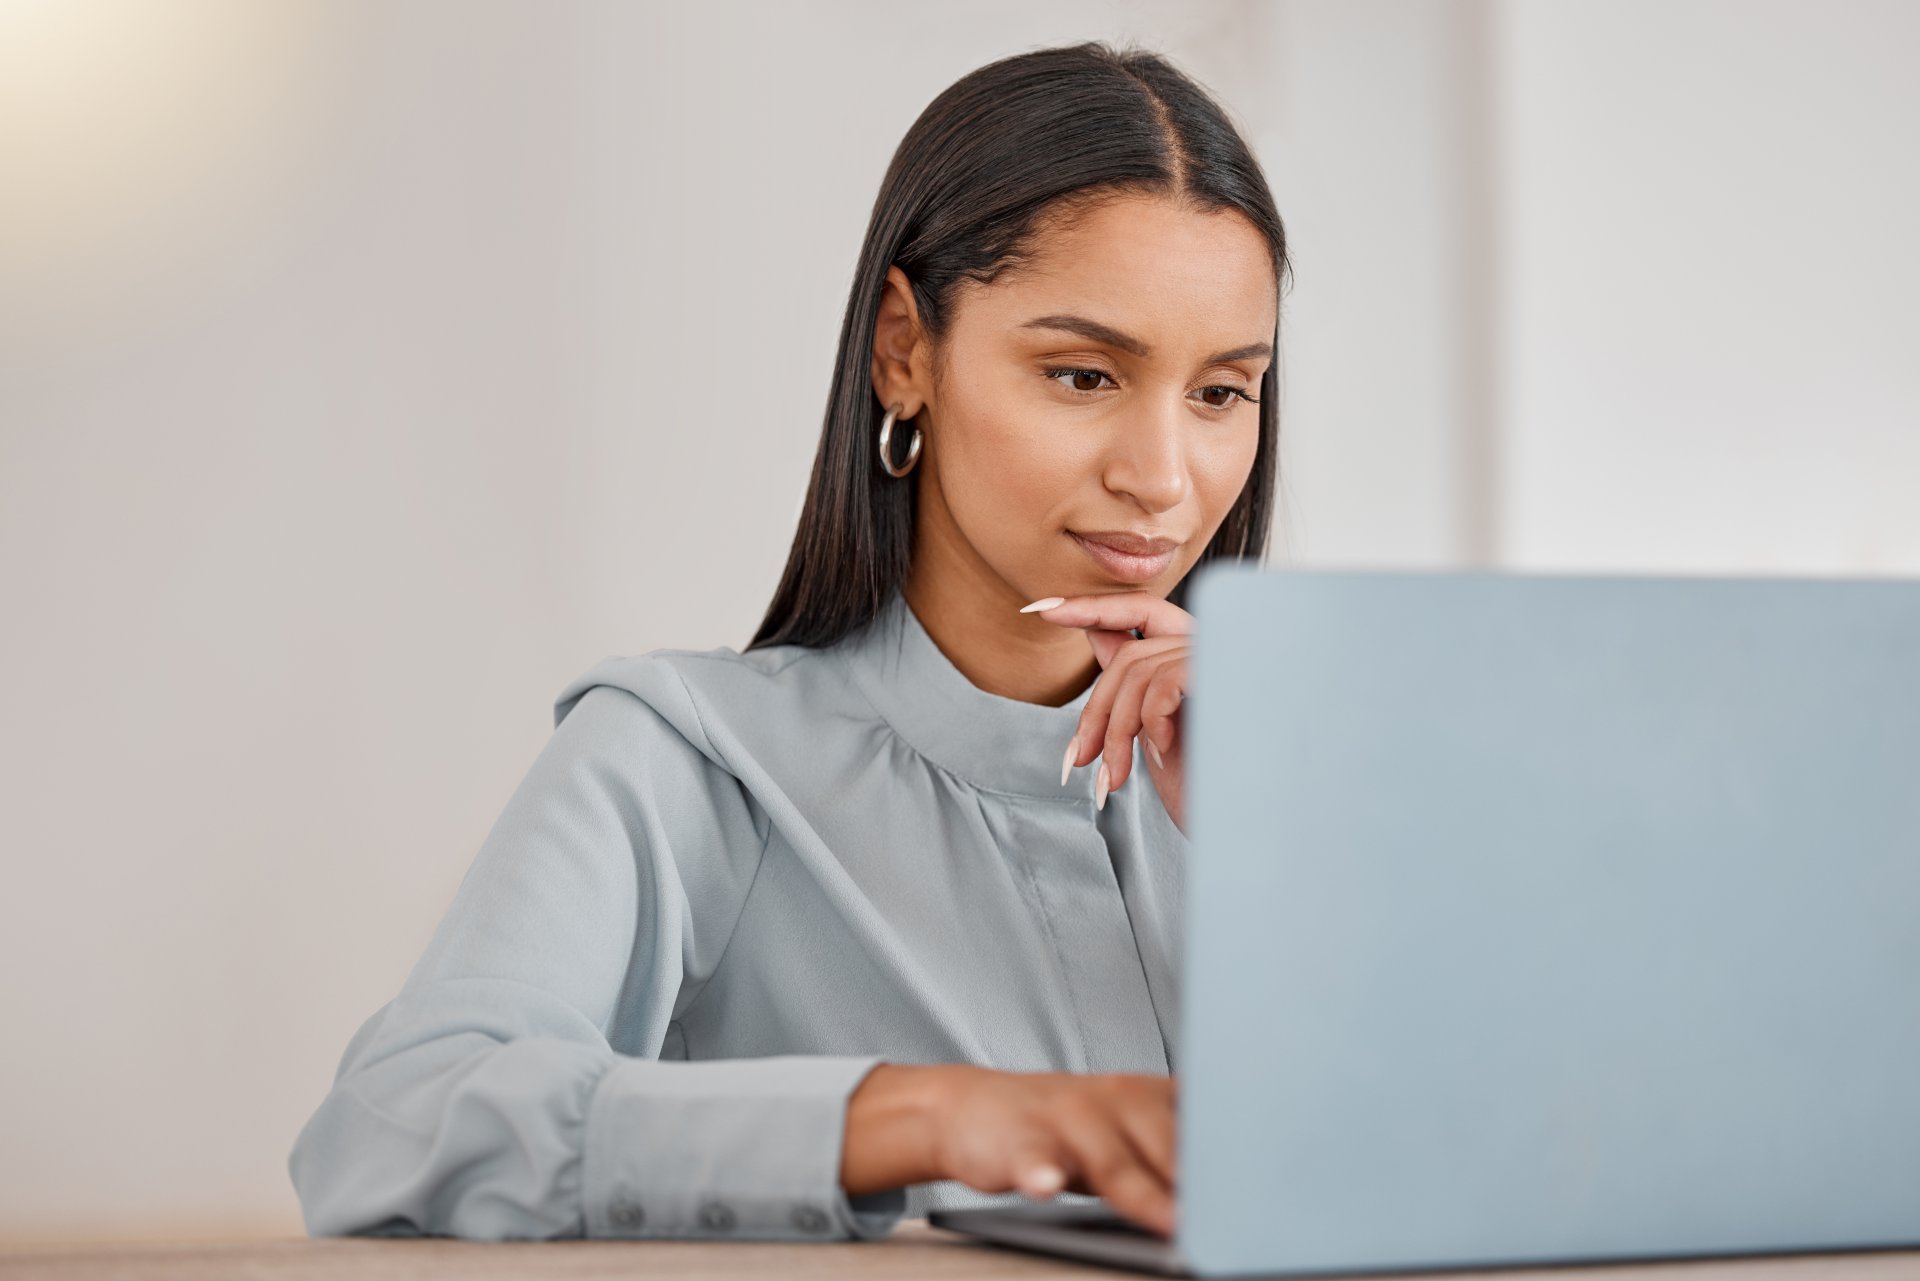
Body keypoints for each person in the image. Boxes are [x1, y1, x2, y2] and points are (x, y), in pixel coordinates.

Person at [288, 37, 1288, 1244]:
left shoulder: (1286, 774)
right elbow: (394, 1126)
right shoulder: (690, 763)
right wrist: (931, 1119)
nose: (1163, 478)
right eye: (1081, 376)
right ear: (904, 351)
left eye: (1222, 393)